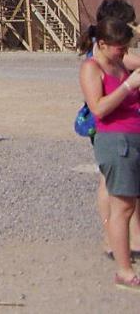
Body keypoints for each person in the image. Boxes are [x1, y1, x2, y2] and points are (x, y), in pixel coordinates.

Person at [79, 16, 140, 291]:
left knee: (131, 204)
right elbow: (99, 109)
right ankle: (124, 270)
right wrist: (129, 86)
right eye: (120, 47)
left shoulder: (120, 62)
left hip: (134, 136)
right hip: (116, 141)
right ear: (102, 44)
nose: (124, 52)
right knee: (123, 206)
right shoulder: (92, 69)